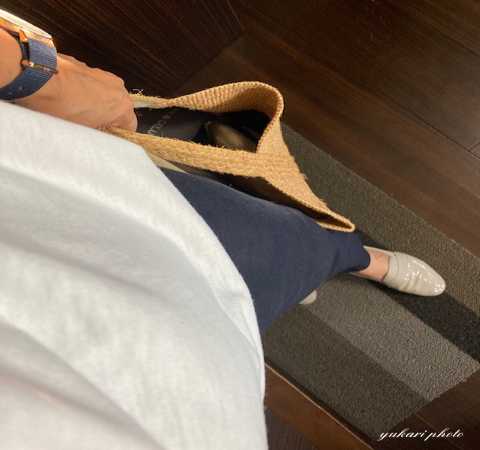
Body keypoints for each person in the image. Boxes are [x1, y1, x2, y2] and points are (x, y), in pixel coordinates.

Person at [0, 12, 445, 450]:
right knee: (242, 298)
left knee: (275, 241)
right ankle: (293, 275)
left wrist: (35, 74)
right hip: (190, 389)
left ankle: (354, 259)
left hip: (47, 218)